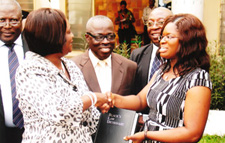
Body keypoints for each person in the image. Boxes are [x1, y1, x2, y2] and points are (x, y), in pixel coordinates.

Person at [108, 13, 212, 143]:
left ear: (187, 41)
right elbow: (140, 100)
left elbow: (192, 133)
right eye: (163, 36)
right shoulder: (163, 70)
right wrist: (111, 98)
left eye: (169, 37)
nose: (162, 40)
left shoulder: (198, 79)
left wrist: (147, 135)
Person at [16, 8, 110, 142]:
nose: (72, 37)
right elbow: (58, 112)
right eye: (68, 32)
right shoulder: (30, 70)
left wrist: (104, 107)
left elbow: (89, 118)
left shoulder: (70, 65)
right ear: (52, 37)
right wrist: (93, 98)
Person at [71, 15, 137, 96]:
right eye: (99, 37)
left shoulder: (129, 67)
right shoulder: (72, 67)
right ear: (87, 38)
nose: (106, 42)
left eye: (110, 36)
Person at [0, 1, 29, 143]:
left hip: (32, 133)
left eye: (13, 20)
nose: (7, 26)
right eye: (1, 20)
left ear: (21, 21)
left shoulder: (35, 48)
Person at [130, 7, 172, 95]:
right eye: (150, 23)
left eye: (161, 22)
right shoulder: (137, 55)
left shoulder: (180, 56)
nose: (154, 27)